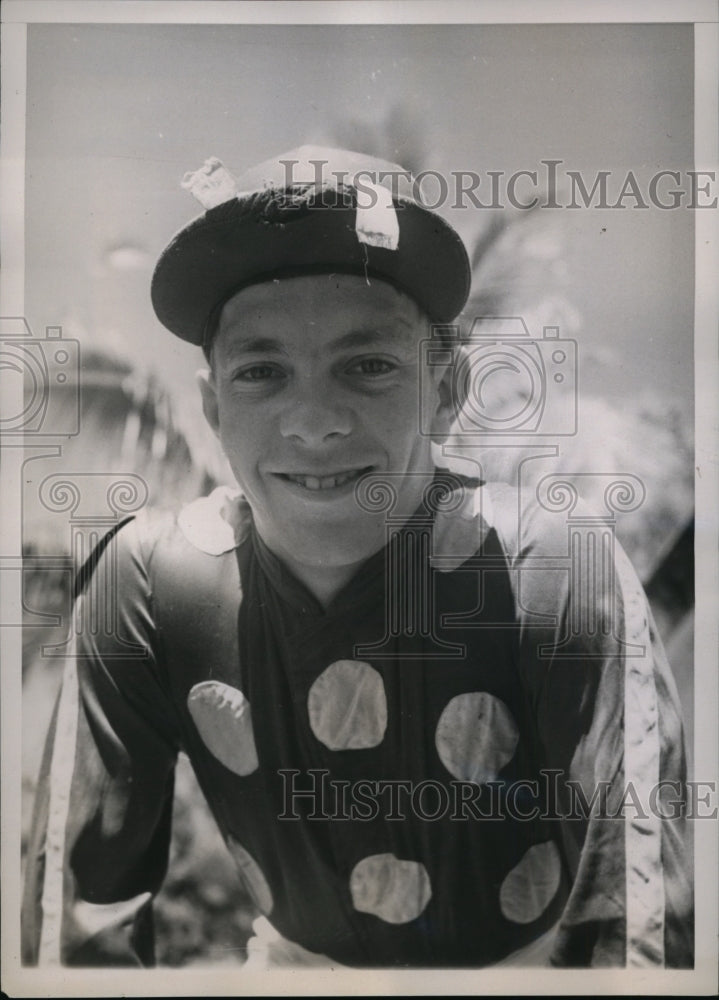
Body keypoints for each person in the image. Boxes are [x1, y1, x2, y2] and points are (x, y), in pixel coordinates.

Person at [22, 146, 693, 969]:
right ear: (213, 407)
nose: (313, 422)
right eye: (262, 371)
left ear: (446, 394)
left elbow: (639, 924)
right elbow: (76, 929)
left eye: (367, 365)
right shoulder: (150, 585)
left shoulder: (555, 576)